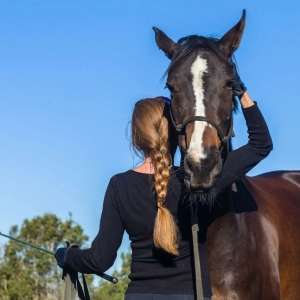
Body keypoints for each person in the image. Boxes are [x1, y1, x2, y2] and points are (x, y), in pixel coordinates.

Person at [55, 65, 273, 300]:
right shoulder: (195, 180)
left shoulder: (119, 186)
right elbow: (261, 144)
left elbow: (99, 259)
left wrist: (67, 256)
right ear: (175, 133)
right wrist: (240, 92)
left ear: (137, 139)